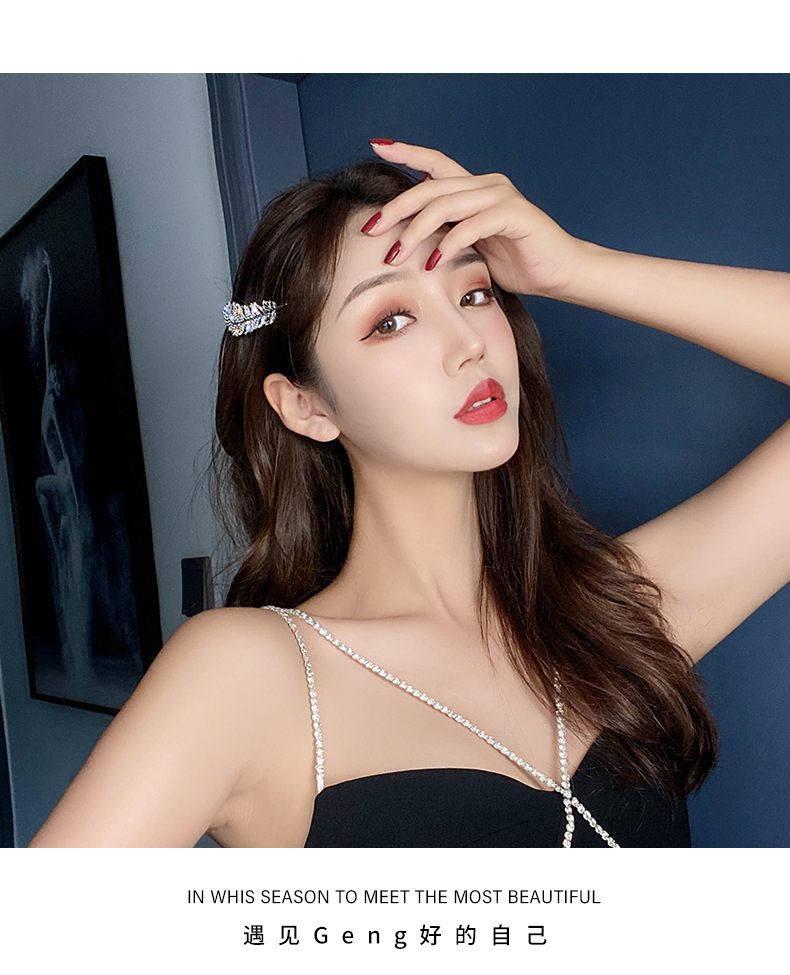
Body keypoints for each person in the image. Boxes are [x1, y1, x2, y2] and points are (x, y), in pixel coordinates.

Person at [29, 140, 790, 848]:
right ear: (305, 406)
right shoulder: (247, 676)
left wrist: (576, 268)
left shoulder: (617, 613)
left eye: (474, 292)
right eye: (391, 320)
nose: (469, 343)